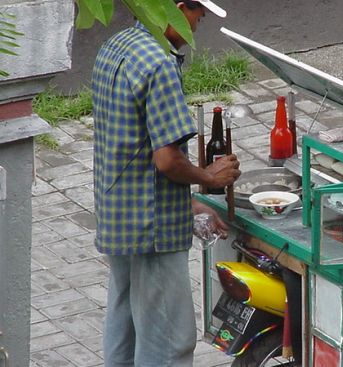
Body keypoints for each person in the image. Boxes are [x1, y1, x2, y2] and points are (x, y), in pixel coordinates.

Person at [91, 1, 238, 366]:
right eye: (195, 15)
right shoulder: (159, 63)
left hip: (118, 214)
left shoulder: (116, 45)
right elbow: (166, 160)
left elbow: (129, 146)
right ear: (174, 9)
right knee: (168, 341)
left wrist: (188, 203)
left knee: (123, 327)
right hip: (151, 230)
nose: (197, 24)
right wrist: (209, 177)